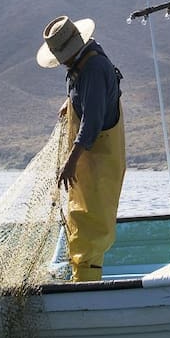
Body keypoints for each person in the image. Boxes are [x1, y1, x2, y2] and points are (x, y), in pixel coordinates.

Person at [37, 15, 126, 282]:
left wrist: (71, 161)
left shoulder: (94, 68)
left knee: (91, 226)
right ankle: (81, 278)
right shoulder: (80, 66)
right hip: (90, 164)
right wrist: (70, 103)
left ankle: (87, 289)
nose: (61, 61)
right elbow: (85, 100)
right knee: (80, 218)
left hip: (99, 162)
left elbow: (93, 121)